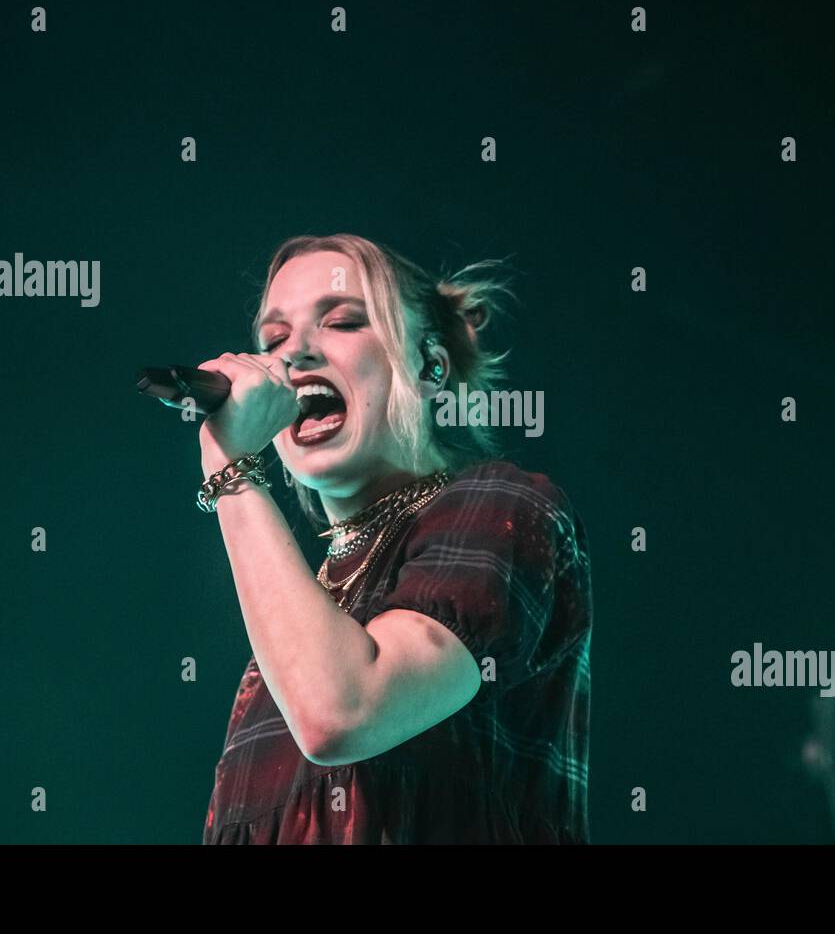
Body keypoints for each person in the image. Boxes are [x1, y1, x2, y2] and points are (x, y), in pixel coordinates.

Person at [195, 233, 592, 843]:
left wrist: (232, 474)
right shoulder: (309, 612)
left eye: (344, 322)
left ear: (430, 366)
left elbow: (342, 711)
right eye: (273, 340)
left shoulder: (501, 507)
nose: (294, 354)